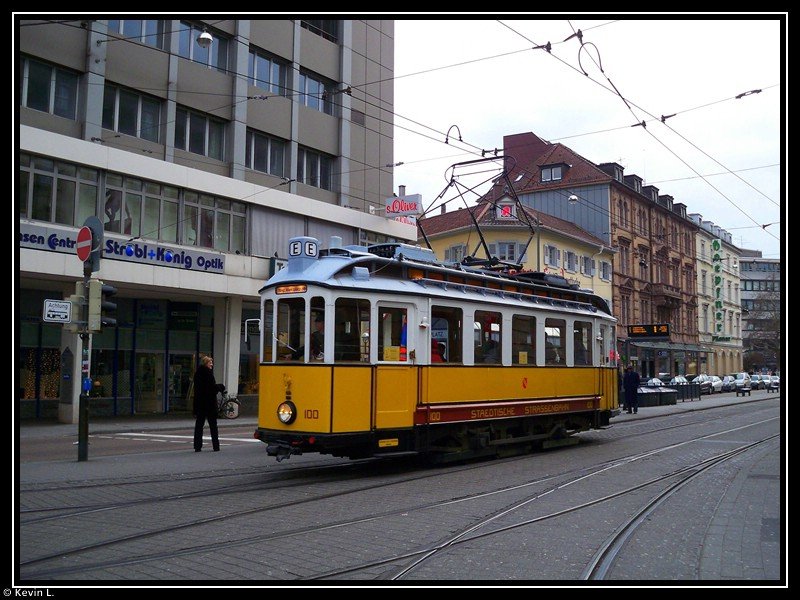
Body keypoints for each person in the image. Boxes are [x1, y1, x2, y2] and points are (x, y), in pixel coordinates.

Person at [193, 355, 222, 452]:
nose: (212, 365)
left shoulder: (197, 373)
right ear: (206, 363)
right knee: (213, 426)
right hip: (209, 403)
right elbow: (211, 389)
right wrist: (220, 387)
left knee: (199, 425)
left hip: (200, 403)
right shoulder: (209, 374)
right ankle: (216, 446)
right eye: (210, 363)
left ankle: (197, 446)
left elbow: (198, 389)